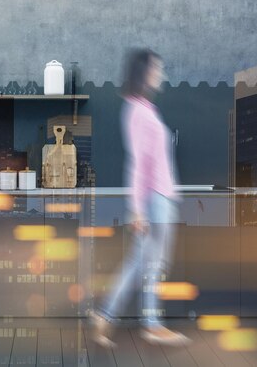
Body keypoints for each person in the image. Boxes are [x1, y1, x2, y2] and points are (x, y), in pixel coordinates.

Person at [91, 48, 189, 347]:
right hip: (155, 200)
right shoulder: (137, 111)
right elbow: (137, 163)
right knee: (149, 264)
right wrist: (137, 209)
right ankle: (144, 323)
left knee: (143, 264)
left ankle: (111, 317)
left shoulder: (144, 108)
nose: (162, 74)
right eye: (158, 69)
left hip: (160, 197)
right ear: (144, 72)